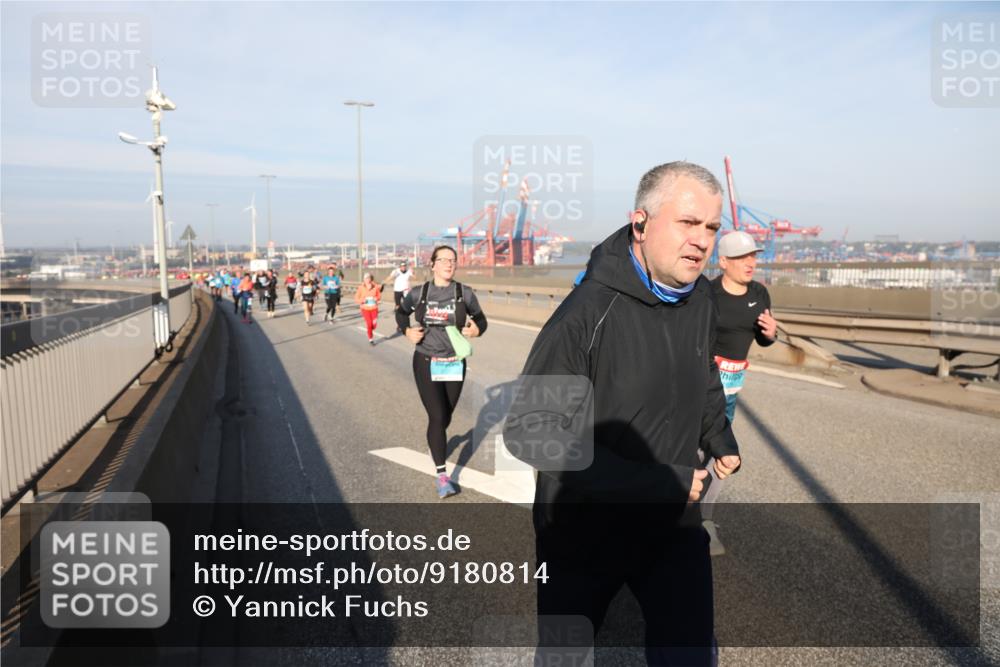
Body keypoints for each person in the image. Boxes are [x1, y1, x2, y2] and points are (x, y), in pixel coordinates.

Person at [502, 162, 739, 665]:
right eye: (688, 223)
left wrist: (719, 436)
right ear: (641, 223)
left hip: (673, 525)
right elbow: (529, 431)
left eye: (712, 228)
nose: (702, 241)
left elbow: (705, 376)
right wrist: (655, 481)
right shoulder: (587, 310)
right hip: (583, 532)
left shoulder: (701, 301)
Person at [699, 230, 778, 554]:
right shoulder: (708, 294)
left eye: (754, 256)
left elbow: (762, 338)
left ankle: (700, 521)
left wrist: (770, 335)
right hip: (702, 385)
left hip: (732, 390)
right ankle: (695, 523)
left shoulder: (759, 293)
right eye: (742, 257)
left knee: (719, 456)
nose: (750, 263)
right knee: (707, 451)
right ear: (724, 262)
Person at [396, 246, 487, 499]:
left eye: (453, 260)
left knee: (445, 416)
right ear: (433, 265)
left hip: (454, 362)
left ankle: (434, 442)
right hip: (426, 360)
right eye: (443, 260)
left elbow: (481, 319)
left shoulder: (464, 294)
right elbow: (401, 314)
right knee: (437, 416)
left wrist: (476, 330)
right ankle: (443, 476)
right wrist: (407, 331)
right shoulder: (419, 293)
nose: (449, 263)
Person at [354, 273, 382, 345]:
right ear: (364, 279)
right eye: (366, 278)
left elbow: (379, 296)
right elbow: (356, 298)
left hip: (374, 308)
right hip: (365, 309)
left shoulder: (375, 287)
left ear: (370, 279)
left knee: (374, 325)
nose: (367, 279)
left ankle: (370, 330)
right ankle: (370, 339)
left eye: (368, 278)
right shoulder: (361, 288)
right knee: (369, 324)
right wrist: (362, 301)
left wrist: (376, 298)